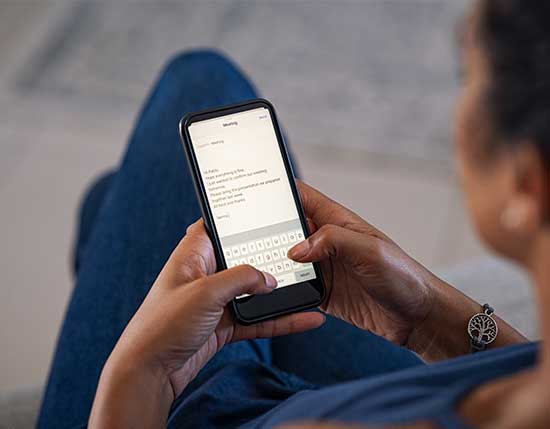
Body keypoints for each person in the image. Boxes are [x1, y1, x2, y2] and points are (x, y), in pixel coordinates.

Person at [38, 0, 549, 427]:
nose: (458, 116)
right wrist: (426, 316)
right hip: (319, 390)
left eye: (468, 78)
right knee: (116, 199)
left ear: (527, 186)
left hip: (201, 407)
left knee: (196, 85)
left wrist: (139, 373)